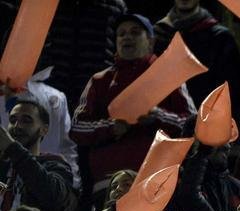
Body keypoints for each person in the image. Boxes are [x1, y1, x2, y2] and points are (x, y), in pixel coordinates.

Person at [69, 13, 195, 198]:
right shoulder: (99, 81)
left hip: (158, 183)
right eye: (121, 34)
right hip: (108, 185)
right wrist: (111, 127)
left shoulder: (169, 78)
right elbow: (77, 129)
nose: (127, 37)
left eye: (135, 32)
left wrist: (159, 117)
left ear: (151, 42)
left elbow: (193, 124)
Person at [0, 99, 76, 211]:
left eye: (26, 121)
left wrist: (12, 148)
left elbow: (52, 195)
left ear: (44, 129)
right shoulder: (3, 166)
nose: (17, 126)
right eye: (13, 120)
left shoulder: (55, 164)